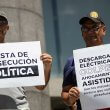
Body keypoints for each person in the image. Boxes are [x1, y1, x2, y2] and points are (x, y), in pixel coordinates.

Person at [0, 12, 52, 109]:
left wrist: (48, 66)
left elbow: (40, 86)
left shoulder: (19, 52)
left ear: (7, 28)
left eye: (1, 21)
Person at [61, 11, 108, 110]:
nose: (90, 32)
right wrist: (70, 98)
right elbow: (65, 92)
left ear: (104, 30)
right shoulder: (72, 61)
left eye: (95, 28)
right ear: (82, 33)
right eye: (85, 28)